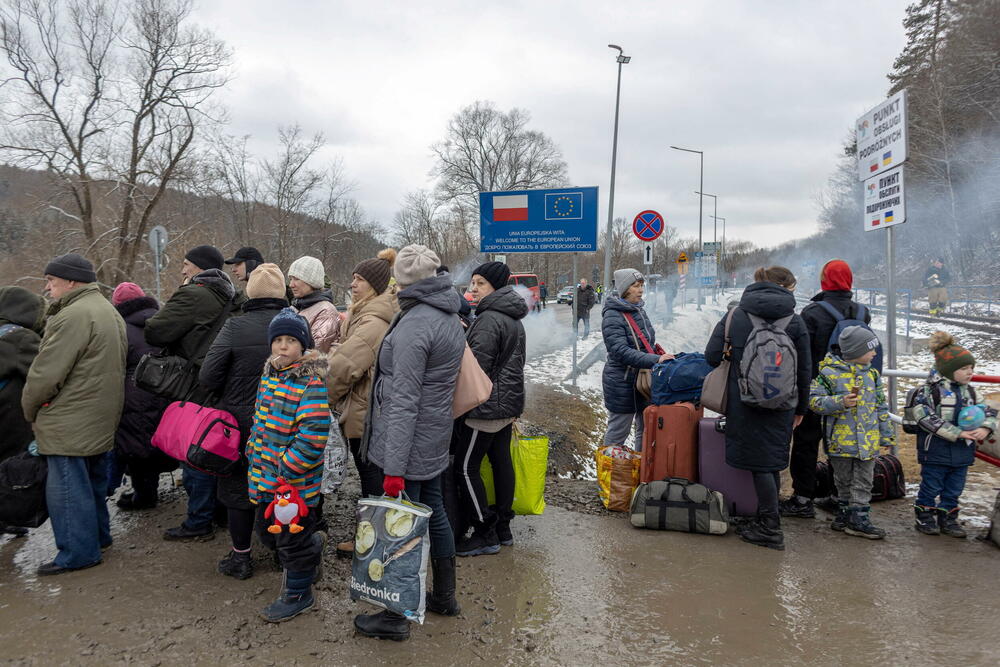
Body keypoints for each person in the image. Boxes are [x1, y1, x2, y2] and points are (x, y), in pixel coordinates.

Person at [354, 244, 465, 641]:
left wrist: (394, 469)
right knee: (435, 511)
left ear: (402, 281)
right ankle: (445, 596)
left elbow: (404, 401)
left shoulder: (417, 323)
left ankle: (395, 616)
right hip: (433, 435)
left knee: (401, 525)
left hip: (408, 441)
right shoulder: (447, 313)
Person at [21, 254, 127, 575]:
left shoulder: (73, 315)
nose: (47, 288)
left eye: (51, 281)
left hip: (70, 419)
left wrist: (30, 409)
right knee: (92, 484)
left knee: (68, 491)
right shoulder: (107, 309)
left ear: (70, 281)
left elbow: (45, 375)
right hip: (99, 415)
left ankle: (78, 554)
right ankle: (98, 539)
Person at [704, 266, 811, 551]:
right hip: (783, 403)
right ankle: (767, 520)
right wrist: (801, 408)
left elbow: (711, 356)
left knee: (759, 465)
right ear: (785, 288)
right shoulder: (795, 321)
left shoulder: (735, 316)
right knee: (770, 462)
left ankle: (770, 527)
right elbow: (804, 371)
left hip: (744, 401)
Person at [200, 264, 288, 580]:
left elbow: (208, 375)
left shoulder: (235, 327)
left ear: (250, 293)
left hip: (241, 423)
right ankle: (283, 553)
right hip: (285, 422)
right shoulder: (296, 325)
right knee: (283, 486)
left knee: (238, 488)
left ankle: (241, 558)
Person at [145, 244, 236, 541]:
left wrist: (180, 293)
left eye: (186, 264)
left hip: (192, 384)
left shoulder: (193, 294)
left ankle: (198, 521)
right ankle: (219, 512)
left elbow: (155, 331)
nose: (182, 269)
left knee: (194, 450)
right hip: (220, 382)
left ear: (199, 267)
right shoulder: (230, 295)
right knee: (213, 443)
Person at [247, 308, 330, 622]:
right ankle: (312, 545)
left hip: (293, 484)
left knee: (291, 542)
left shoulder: (309, 382)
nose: (283, 346)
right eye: (278, 339)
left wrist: (287, 467)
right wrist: (252, 447)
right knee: (266, 532)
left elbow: (314, 434)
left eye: (291, 340)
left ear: (303, 345)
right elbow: (260, 419)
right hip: (264, 475)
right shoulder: (270, 374)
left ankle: (298, 594)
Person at [783, 259, 872, 519]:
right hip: (852, 390)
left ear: (825, 281)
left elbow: (803, 354)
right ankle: (838, 496)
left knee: (806, 442)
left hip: (818, 388)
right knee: (842, 445)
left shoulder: (813, 313)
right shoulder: (862, 312)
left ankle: (802, 499)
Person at [326, 249, 398, 558]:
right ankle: (374, 536)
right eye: (353, 278)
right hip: (365, 406)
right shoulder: (368, 313)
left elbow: (345, 366)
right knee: (371, 475)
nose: (353, 284)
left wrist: (321, 398)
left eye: (360, 280)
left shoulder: (373, 320)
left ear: (375, 286)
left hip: (364, 409)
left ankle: (373, 541)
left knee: (370, 477)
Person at [453, 261, 527, 557]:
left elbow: (476, 369)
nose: (473, 289)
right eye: (473, 282)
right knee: (500, 462)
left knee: (465, 467)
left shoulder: (487, 319)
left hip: (485, 407)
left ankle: (485, 532)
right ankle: (504, 528)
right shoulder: (512, 316)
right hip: (507, 403)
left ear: (495, 286)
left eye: (480, 283)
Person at [808, 326, 894, 539]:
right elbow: (814, 401)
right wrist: (840, 402)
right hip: (840, 442)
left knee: (864, 481)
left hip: (868, 441)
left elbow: (881, 407)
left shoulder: (872, 375)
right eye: (870, 349)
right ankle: (845, 514)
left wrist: (886, 434)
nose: (874, 353)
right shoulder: (828, 374)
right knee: (843, 480)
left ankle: (859, 518)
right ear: (856, 351)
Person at [909, 331, 996, 538]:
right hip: (934, 451)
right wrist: (958, 433)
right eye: (964, 368)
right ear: (948, 370)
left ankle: (948, 517)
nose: (970, 372)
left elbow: (990, 411)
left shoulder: (972, 392)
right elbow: (924, 417)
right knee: (931, 486)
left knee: (954, 488)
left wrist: (986, 427)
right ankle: (924, 515)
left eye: (971, 368)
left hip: (962, 454)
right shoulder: (930, 392)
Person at [111, 283, 174, 511]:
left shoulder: (120, 329)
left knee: (137, 446)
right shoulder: (163, 321)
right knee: (162, 437)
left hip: (135, 394)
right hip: (167, 390)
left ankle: (145, 495)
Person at [601, 269, 672, 449]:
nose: (640, 290)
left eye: (641, 285)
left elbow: (646, 342)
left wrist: (658, 355)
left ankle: (641, 465)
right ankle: (609, 466)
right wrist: (655, 359)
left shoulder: (638, 309)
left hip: (643, 380)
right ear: (624, 289)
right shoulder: (612, 315)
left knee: (645, 430)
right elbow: (620, 351)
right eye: (635, 286)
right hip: (622, 382)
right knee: (618, 433)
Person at [0, 286, 45, 537]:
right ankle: (8, 516)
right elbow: (44, 372)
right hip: (9, 417)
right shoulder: (20, 337)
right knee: (9, 468)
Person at [287, 255, 340, 353]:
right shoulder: (294, 308)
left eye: (296, 279)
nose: (291, 285)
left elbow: (314, 352)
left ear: (312, 282)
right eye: (291, 279)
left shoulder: (326, 312)